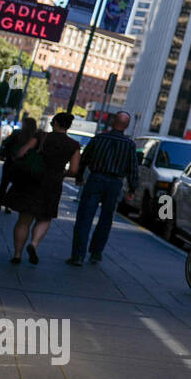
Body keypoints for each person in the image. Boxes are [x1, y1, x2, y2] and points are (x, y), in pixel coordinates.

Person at [4, 114, 81, 265]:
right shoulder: (74, 145)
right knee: (45, 218)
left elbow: (22, 152)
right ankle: (34, 244)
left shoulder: (41, 136)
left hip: (32, 180)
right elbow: (73, 170)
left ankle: (17, 255)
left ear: (56, 123)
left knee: (24, 219)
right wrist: (62, 173)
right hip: (52, 184)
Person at [67, 111, 138, 267]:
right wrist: (132, 189)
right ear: (126, 126)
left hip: (96, 179)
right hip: (115, 184)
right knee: (106, 220)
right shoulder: (129, 145)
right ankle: (96, 253)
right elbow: (133, 168)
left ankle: (78, 255)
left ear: (113, 123)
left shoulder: (99, 138)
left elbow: (85, 159)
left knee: (85, 217)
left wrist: (79, 178)